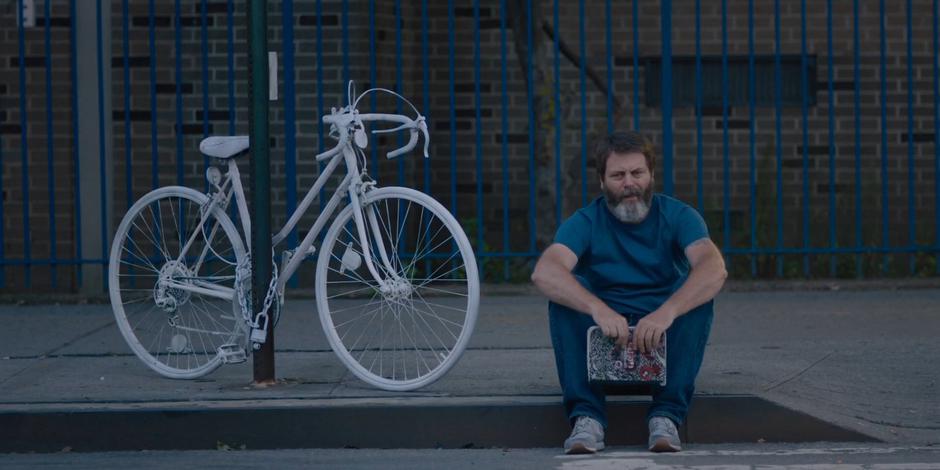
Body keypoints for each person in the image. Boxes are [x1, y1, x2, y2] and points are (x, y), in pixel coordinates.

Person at [531, 130, 727, 454]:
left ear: (651, 176)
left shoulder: (679, 216)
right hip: (605, 350)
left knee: (695, 291)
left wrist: (667, 313)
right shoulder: (586, 221)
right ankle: (586, 420)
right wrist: (599, 309)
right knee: (566, 292)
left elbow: (713, 267)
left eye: (637, 173)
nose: (629, 183)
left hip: (662, 350)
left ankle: (666, 418)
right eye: (618, 175)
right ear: (602, 182)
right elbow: (545, 271)